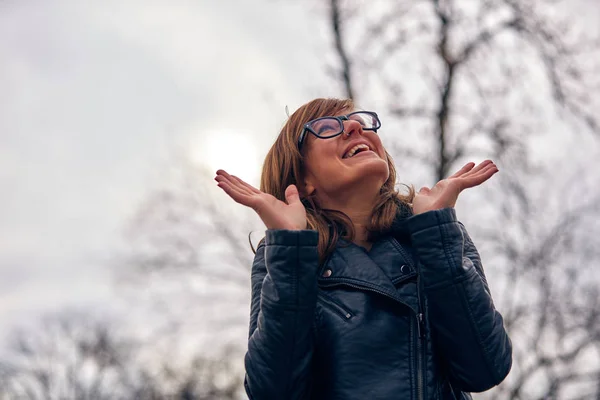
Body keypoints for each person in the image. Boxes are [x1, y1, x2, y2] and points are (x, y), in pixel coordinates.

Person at [214, 98, 512, 400]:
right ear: (303, 180)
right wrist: (290, 247)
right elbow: (272, 392)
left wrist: (436, 231)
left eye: (360, 121)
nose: (355, 126)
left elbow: (486, 368)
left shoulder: (437, 236)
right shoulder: (282, 258)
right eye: (327, 127)